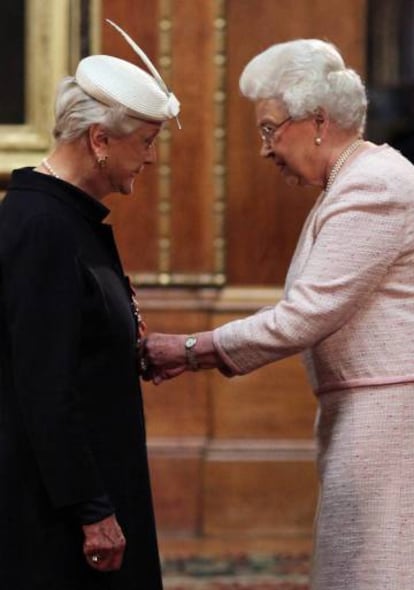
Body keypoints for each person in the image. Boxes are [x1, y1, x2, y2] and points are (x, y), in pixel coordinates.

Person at [144, 39, 414, 589]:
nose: (264, 149)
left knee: (375, 575)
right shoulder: (349, 182)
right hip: (365, 411)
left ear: (318, 120)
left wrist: (191, 349)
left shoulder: (376, 185)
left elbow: (303, 316)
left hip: (390, 420)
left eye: (269, 129)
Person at [0, 20, 180, 590]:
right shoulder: (41, 225)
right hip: (58, 518)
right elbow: (44, 386)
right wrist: (92, 511)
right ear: (100, 140)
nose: (150, 159)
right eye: (145, 142)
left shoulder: (68, 217)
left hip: (90, 487)